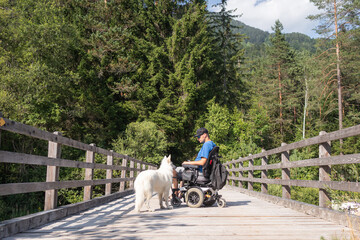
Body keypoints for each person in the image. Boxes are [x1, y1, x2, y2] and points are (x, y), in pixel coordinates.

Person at [172, 127, 216, 194]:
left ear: (205, 135)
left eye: (199, 136)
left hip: (199, 172)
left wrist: (188, 163)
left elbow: (202, 162)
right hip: (204, 171)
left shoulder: (206, 145)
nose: (198, 139)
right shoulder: (212, 144)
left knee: (173, 171)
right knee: (183, 170)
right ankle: (180, 193)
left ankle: (174, 194)